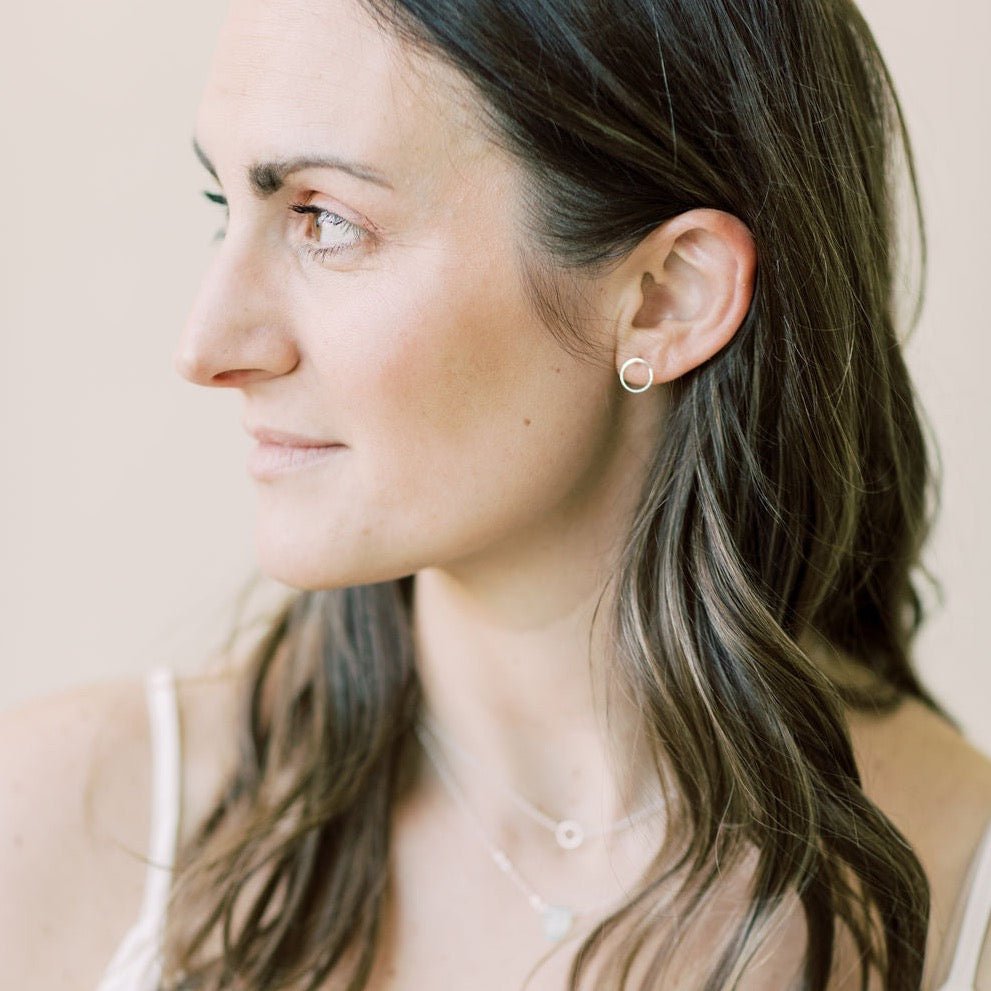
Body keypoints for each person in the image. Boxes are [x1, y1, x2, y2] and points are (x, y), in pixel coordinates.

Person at [2, 0, 990, 987]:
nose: (207, 346)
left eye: (323, 220)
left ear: (664, 296)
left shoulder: (964, 898)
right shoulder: (66, 828)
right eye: (228, 208)